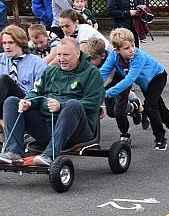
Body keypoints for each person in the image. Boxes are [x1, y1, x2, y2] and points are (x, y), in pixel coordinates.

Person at [0, 37, 104, 166]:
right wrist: (28, 102)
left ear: (78, 54)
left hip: (77, 131)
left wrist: (61, 106)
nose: (61, 59)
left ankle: (50, 155)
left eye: (66, 55)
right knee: (12, 102)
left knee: (73, 104)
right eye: (59, 55)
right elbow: (36, 91)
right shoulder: (51, 71)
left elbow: (93, 103)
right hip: (47, 127)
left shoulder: (92, 73)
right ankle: (12, 151)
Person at [99, 28, 169, 150]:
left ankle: (160, 138)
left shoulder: (138, 57)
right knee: (160, 109)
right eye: (126, 48)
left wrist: (108, 93)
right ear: (117, 50)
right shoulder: (113, 56)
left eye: (132, 45)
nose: (131, 50)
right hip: (145, 84)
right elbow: (102, 73)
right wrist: (89, 85)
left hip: (158, 77)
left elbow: (129, 80)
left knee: (149, 107)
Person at [86, 37, 148, 141]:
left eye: (92, 58)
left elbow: (109, 79)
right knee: (111, 112)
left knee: (118, 111)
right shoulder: (91, 61)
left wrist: (96, 91)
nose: (90, 61)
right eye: (88, 58)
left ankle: (125, 135)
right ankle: (134, 106)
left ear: (102, 56)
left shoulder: (111, 58)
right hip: (107, 84)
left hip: (120, 83)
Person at [0, 25, 47, 140]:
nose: (6, 47)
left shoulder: (37, 63)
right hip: (2, 104)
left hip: (26, 103)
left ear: (20, 42)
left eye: (10, 43)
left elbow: (41, 93)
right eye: (4, 43)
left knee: (4, 79)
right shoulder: (1, 59)